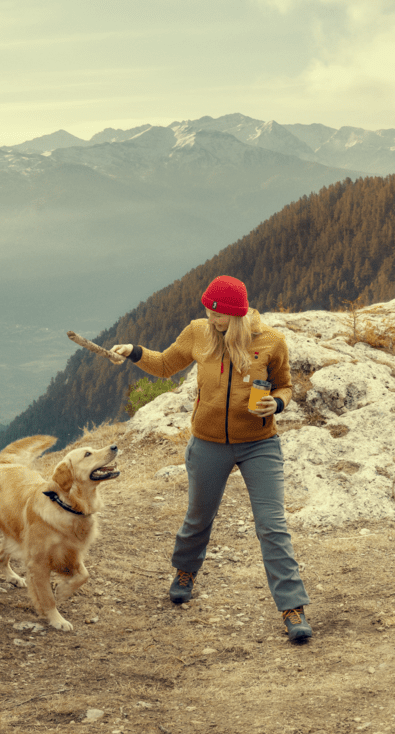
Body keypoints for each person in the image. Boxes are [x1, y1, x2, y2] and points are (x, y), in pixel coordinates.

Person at [110, 275, 313, 643]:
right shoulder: (198, 333)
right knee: (199, 516)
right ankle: (185, 571)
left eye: (216, 314)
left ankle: (292, 607)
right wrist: (134, 352)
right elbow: (164, 365)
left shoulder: (270, 342)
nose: (209, 317)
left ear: (234, 316)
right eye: (207, 310)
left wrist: (278, 402)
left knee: (272, 525)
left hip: (259, 444)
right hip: (208, 443)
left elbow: (285, 384)